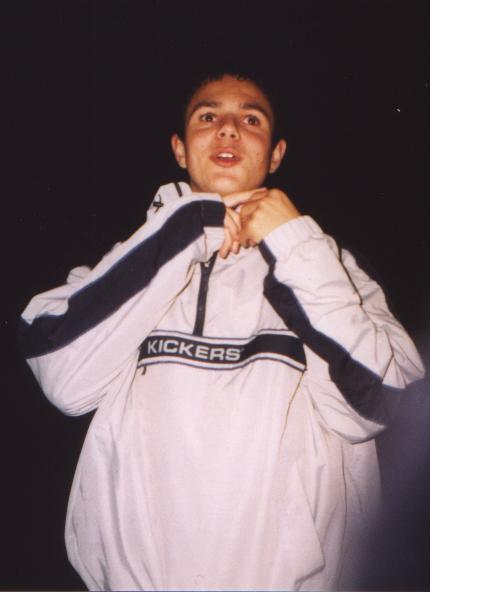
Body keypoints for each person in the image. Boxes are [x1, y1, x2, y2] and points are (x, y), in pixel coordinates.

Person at [18, 71, 424, 590]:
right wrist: (191, 225)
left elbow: (385, 406)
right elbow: (60, 376)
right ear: (180, 149)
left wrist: (293, 243)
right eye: (207, 116)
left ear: (275, 155)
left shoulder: (330, 269)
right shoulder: (127, 266)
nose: (228, 128)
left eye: (251, 119)